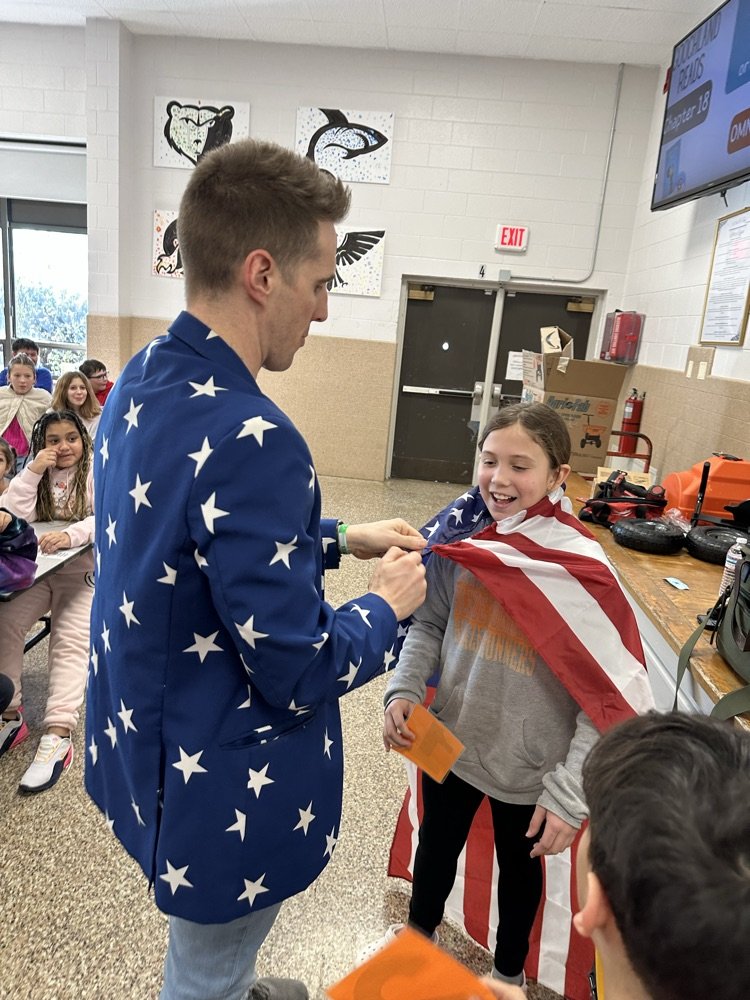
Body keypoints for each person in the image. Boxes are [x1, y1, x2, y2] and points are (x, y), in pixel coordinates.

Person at [84, 137, 427, 1000]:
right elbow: (298, 663)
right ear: (263, 274)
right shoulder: (256, 435)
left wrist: (342, 540)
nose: (321, 311)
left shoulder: (139, 382)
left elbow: (189, 548)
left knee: (207, 957)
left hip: (146, 746)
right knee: (205, 971)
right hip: (217, 783)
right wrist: (384, 610)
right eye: (320, 284)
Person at [374, 403, 653, 992]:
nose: (499, 479)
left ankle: (506, 978)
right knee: (435, 852)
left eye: (520, 466)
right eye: (489, 460)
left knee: (518, 881)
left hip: (530, 771)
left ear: (558, 476)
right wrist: (403, 687)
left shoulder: (581, 572)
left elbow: (607, 697)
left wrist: (569, 791)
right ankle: (416, 944)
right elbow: (427, 625)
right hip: (448, 742)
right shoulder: (465, 541)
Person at [0, 409, 94, 792]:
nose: (62, 447)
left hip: (81, 571)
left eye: (70, 438)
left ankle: (58, 733)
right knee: (6, 621)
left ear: (82, 440)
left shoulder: (94, 471)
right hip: (40, 572)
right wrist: (34, 469)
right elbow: (13, 512)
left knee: (69, 641)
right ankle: (10, 714)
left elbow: (106, 517)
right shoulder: (35, 475)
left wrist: (71, 535)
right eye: (52, 440)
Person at [0, 353, 52, 473]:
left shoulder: (44, 397)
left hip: (29, 455)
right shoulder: (1, 394)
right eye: (17, 376)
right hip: (2, 453)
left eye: (27, 376)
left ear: (34, 378)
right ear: (8, 377)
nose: (22, 381)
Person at [50, 369, 102, 440]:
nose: (79, 392)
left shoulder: (97, 416)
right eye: (73, 388)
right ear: (63, 392)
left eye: (83, 388)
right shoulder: (51, 415)